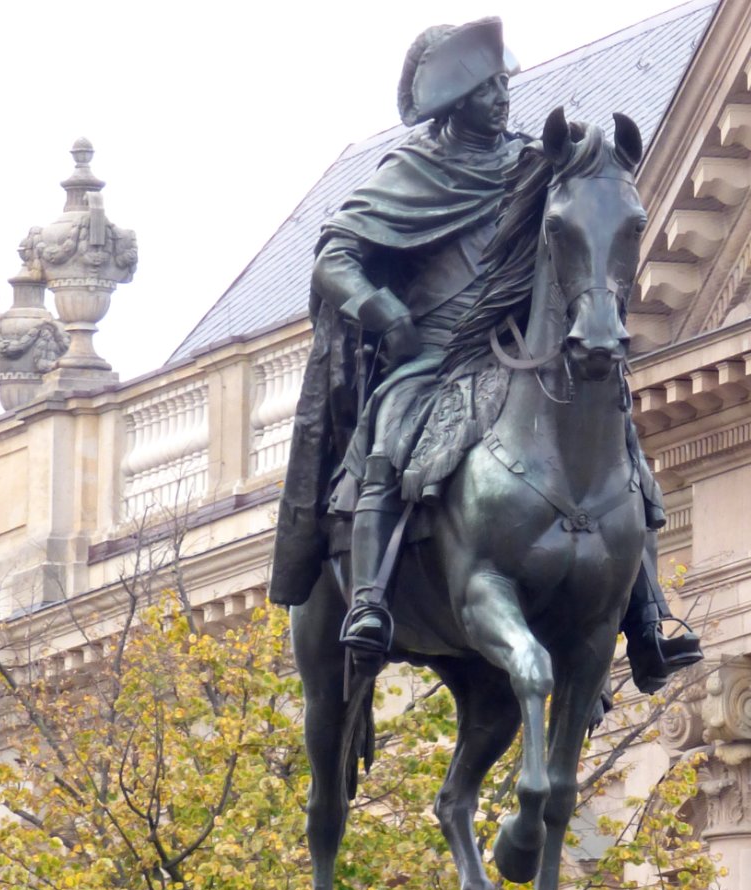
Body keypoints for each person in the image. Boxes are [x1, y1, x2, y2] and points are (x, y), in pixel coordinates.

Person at [266, 17, 702, 691]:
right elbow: (337, 258)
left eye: (504, 83)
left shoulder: (534, 162)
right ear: (455, 100)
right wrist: (386, 314)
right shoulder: (415, 173)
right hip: (434, 356)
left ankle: (647, 617)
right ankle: (371, 601)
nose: (503, 96)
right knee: (391, 432)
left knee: (620, 448)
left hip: (518, 350)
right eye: (487, 87)